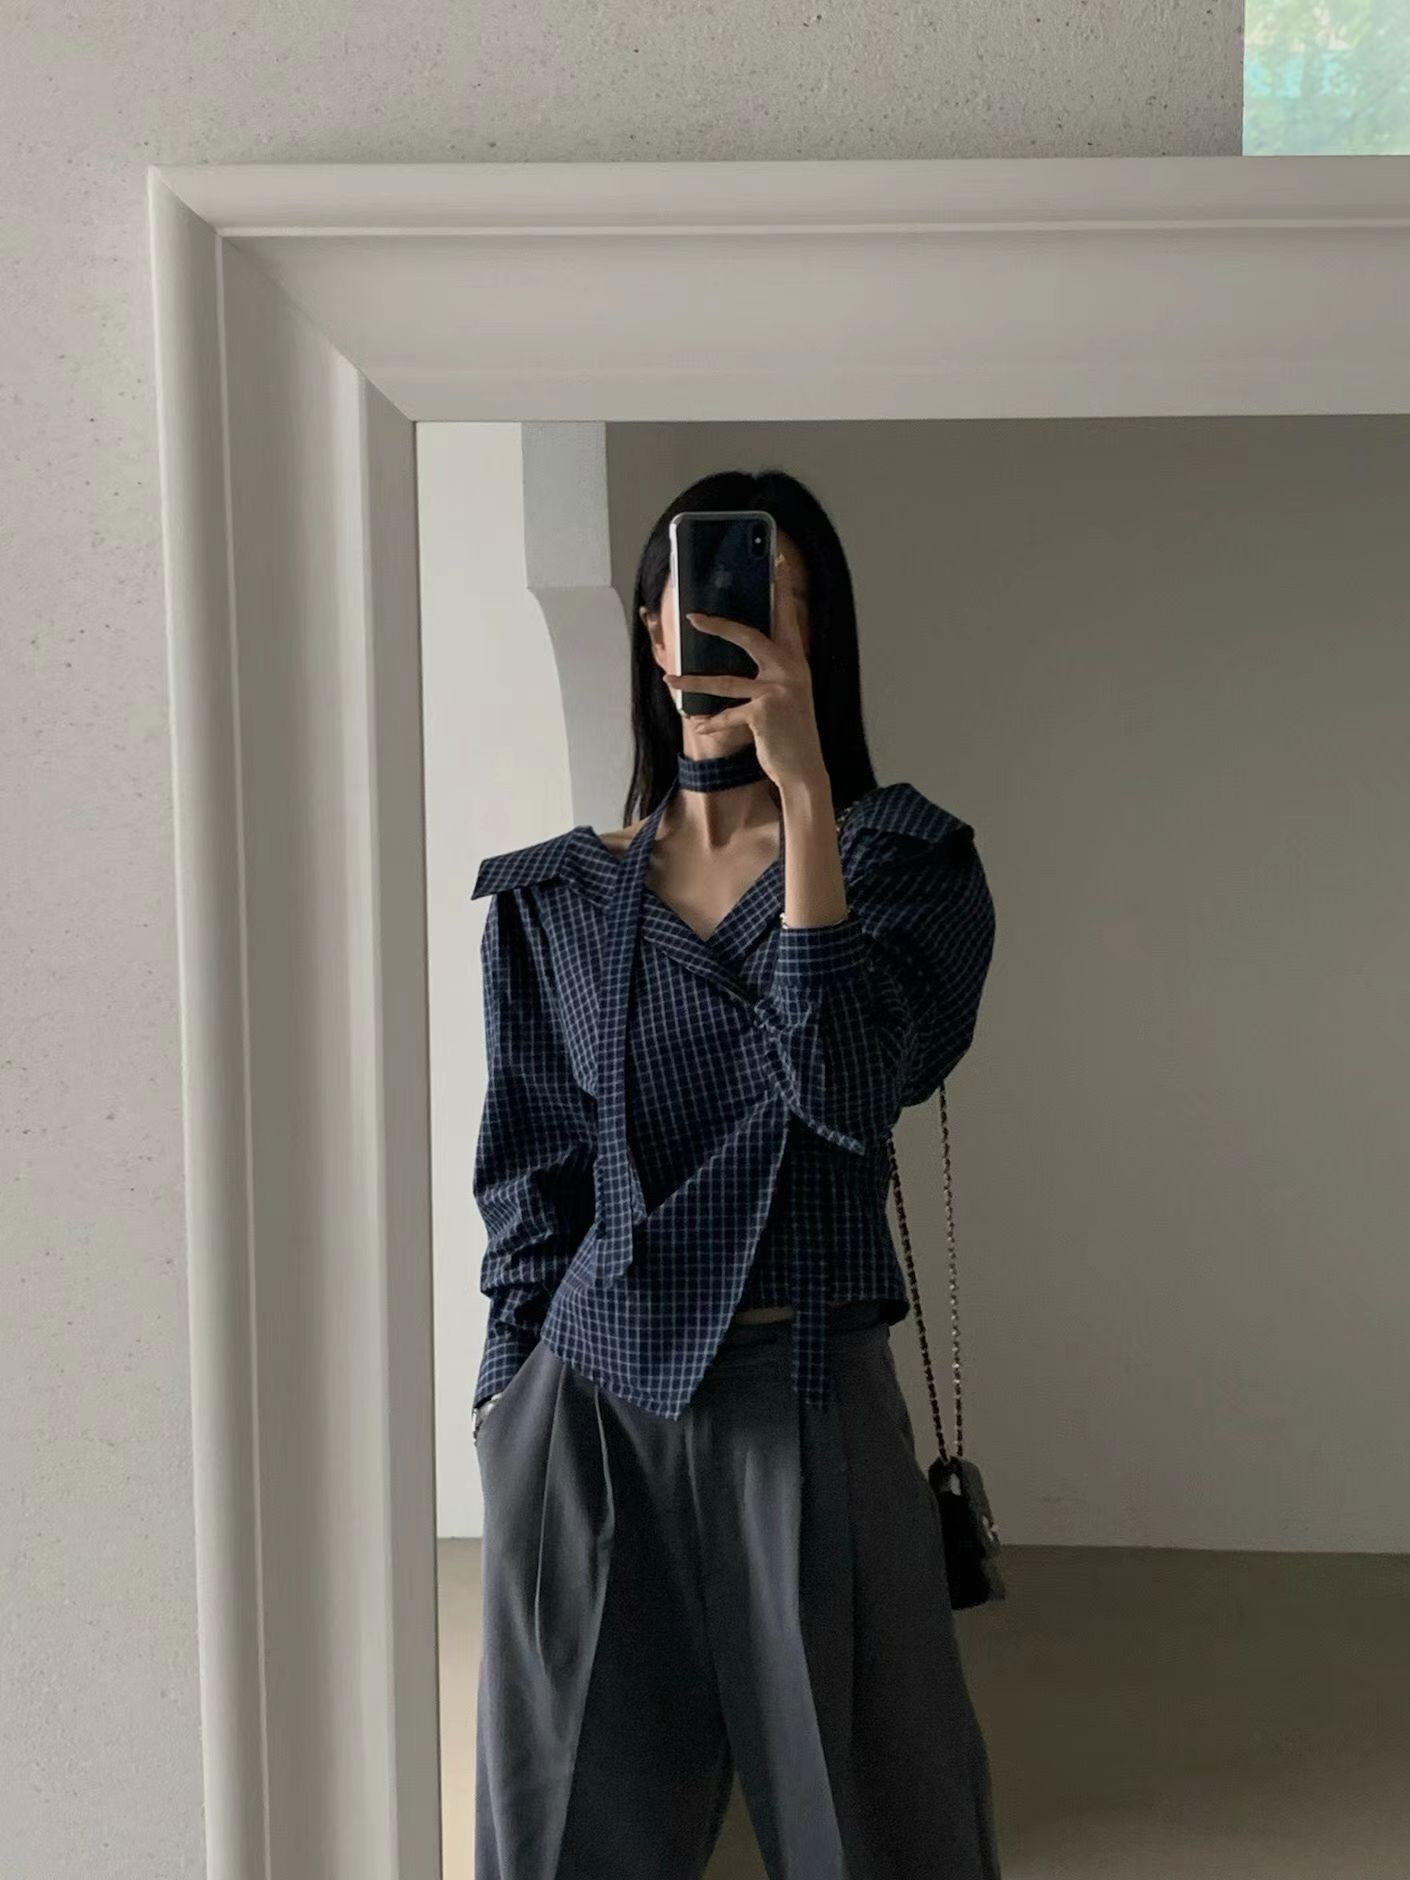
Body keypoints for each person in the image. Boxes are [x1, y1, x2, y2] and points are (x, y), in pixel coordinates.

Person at [469, 467, 1002, 1879]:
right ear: (653, 630)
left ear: (820, 634)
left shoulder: (911, 866)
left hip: (808, 1393)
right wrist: (504, 1406)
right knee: (567, 1838)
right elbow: (528, 1181)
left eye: (779, 599)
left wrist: (809, 801)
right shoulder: (553, 897)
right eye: (697, 598)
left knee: (880, 1827)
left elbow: (848, 1095)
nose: (731, 628)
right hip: (591, 1414)